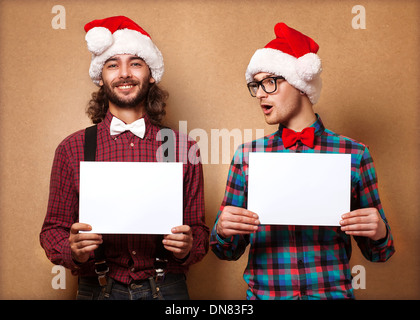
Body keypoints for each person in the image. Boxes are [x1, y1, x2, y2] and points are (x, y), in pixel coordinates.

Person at [210, 22, 395, 300]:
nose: (260, 93)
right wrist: (222, 229)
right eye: (256, 85)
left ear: (300, 84)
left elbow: (379, 254)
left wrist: (379, 232)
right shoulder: (247, 156)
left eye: (270, 82)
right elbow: (226, 251)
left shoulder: (355, 154)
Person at [40, 16, 209, 300]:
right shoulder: (72, 148)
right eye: (112, 64)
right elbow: (52, 231)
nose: (124, 73)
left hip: (166, 289)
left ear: (151, 73)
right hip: (97, 289)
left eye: (135, 63)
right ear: (101, 76)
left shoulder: (182, 147)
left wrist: (188, 246)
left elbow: (200, 231)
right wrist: (73, 250)